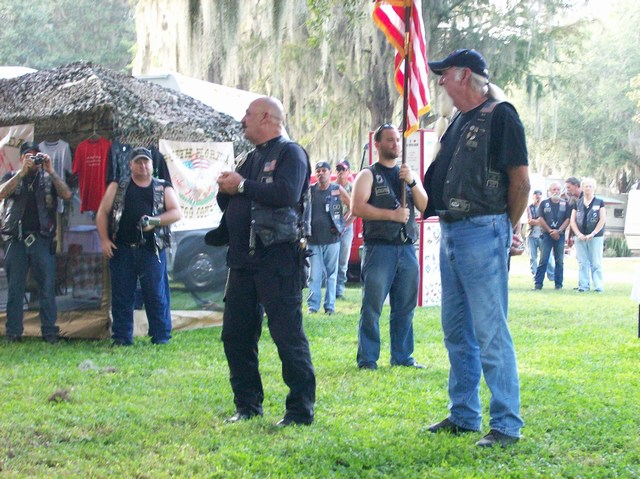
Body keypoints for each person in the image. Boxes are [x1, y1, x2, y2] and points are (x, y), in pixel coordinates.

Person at [423, 49, 529, 447]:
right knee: (456, 331)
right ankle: (464, 414)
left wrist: (506, 227)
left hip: (484, 230)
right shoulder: (457, 120)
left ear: (465, 75)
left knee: (490, 331)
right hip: (452, 230)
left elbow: (521, 182)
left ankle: (506, 424)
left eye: (445, 73)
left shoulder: (502, 115)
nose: (440, 81)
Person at [214, 96, 316, 427]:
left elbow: (286, 193)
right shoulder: (249, 157)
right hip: (242, 260)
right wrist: (226, 188)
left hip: (278, 258)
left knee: (287, 335)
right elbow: (233, 200)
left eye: (248, 114)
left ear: (266, 117)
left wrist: (241, 185)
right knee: (236, 335)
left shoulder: (291, 153)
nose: (242, 120)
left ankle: (299, 411)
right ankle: (247, 406)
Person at [351, 123, 428, 371]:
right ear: (378, 144)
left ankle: (403, 356)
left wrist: (412, 182)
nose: (395, 144)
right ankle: (367, 359)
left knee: (405, 307)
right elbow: (357, 207)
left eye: (397, 140)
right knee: (372, 307)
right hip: (379, 249)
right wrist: (391, 215)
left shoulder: (408, 174)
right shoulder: (368, 175)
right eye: (390, 140)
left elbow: (424, 205)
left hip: (407, 249)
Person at [96, 147, 182, 346]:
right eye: (138, 162)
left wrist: (154, 221)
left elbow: (176, 212)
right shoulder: (118, 186)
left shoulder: (163, 187)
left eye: (146, 162)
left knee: (156, 294)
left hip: (151, 249)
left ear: (152, 165)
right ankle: (121, 337)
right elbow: (102, 212)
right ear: (130, 165)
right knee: (122, 295)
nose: (143, 166)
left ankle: (161, 337)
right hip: (121, 248)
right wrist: (104, 240)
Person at [0, 141, 72, 343]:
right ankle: (14, 333)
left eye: (35, 156)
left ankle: (49, 332)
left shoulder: (48, 179)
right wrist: (21, 173)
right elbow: (1, 193)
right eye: (28, 156)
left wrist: (51, 171)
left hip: (42, 239)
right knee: (15, 288)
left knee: (47, 288)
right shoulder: (12, 176)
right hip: (16, 239)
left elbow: (66, 194)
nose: (33, 161)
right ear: (21, 159)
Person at [306, 161, 348, 315]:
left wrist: (343, 225)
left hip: (332, 239)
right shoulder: (310, 191)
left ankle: (330, 306)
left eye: (324, 170)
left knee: (332, 275)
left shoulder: (337, 189)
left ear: (330, 173)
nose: (321, 173)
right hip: (313, 240)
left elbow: (353, 207)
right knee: (314, 275)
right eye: (318, 171)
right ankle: (313, 306)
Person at [570, 177, 606, 292]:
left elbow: (602, 219)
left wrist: (593, 233)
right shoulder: (577, 203)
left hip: (595, 237)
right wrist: (578, 234)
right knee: (582, 262)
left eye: (590, 186)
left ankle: (598, 287)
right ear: (582, 188)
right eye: (586, 186)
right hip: (580, 237)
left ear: (594, 188)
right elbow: (572, 221)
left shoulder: (599, 202)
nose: (588, 188)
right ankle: (583, 286)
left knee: (596, 262)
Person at [534, 182, 571, 290]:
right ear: (549, 191)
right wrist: (550, 231)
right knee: (543, 259)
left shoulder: (565, 204)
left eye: (558, 189)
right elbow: (540, 218)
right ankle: (538, 284)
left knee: (559, 260)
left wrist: (559, 231)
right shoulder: (544, 203)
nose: (556, 191)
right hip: (547, 235)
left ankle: (558, 284)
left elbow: (568, 219)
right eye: (554, 189)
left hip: (560, 236)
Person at [334, 160, 354, 299]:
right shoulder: (331, 187)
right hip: (331, 227)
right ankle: (330, 289)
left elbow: (355, 210)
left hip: (346, 227)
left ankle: (339, 290)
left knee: (342, 261)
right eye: (338, 169)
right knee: (331, 260)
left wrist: (345, 225)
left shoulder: (353, 188)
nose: (341, 172)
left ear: (349, 172)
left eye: (343, 169)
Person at [526, 190, 544, 278]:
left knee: (546, 256)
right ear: (533, 197)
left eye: (539, 197)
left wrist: (536, 221)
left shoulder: (544, 207)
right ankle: (535, 276)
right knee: (532, 257)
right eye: (536, 197)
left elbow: (545, 221)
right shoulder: (529, 207)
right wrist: (540, 221)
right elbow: (530, 221)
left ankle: (551, 275)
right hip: (531, 235)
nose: (538, 198)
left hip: (542, 235)